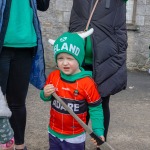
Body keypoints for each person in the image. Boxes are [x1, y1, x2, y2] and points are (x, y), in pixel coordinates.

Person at [69, 0, 128, 141]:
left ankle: (100, 142)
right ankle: (77, 142)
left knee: (102, 101)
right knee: (79, 102)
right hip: (80, 56)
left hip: (107, 57)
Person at [40, 29, 105, 150]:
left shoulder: (87, 83)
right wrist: (45, 93)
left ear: (79, 58)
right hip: (53, 131)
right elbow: (45, 97)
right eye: (60, 58)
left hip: (75, 137)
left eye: (70, 58)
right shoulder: (53, 76)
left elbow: (96, 109)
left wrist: (98, 131)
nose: (65, 63)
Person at [0, 0, 50, 149]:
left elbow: (43, 5)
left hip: (25, 46)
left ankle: (20, 145)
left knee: (17, 103)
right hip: (2, 47)